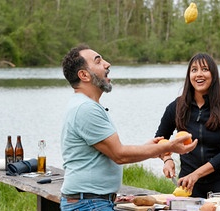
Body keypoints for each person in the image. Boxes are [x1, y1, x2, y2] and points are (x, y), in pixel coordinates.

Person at [59, 44, 198, 211]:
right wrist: (170, 147)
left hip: (91, 202)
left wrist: (149, 147)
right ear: (84, 75)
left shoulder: (86, 105)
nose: (107, 64)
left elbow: (111, 152)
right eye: (98, 61)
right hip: (89, 204)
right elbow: (120, 155)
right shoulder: (86, 109)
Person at [155, 53, 220, 198]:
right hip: (188, 185)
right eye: (194, 70)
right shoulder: (176, 107)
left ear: (213, 74)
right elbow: (159, 139)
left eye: (205, 69)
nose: (199, 74)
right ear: (189, 75)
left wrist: (196, 175)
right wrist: (167, 159)